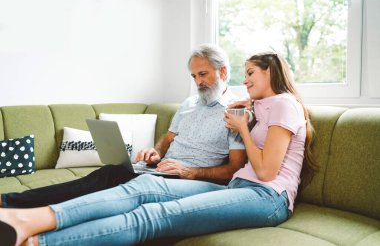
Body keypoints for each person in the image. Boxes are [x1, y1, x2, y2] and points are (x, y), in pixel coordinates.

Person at [0, 52, 317, 246]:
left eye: (250, 72)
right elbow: (172, 142)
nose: (244, 79)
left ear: (271, 72)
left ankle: (40, 241)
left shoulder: (286, 105)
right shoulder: (256, 107)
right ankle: (26, 219)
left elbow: (265, 171)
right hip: (239, 186)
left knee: (155, 214)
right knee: (143, 184)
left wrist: (242, 130)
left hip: (267, 198)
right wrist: (246, 114)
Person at [0, 44, 246, 208]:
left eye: (203, 74)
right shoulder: (189, 103)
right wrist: (156, 151)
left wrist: (190, 172)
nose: (198, 82)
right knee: (105, 175)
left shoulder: (236, 111)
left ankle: (20, 210)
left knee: (109, 191)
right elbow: (169, 138)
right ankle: (11, 202)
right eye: (194, 76)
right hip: (160, 169)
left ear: (222, 71)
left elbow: (233, 169)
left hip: (188, 179)